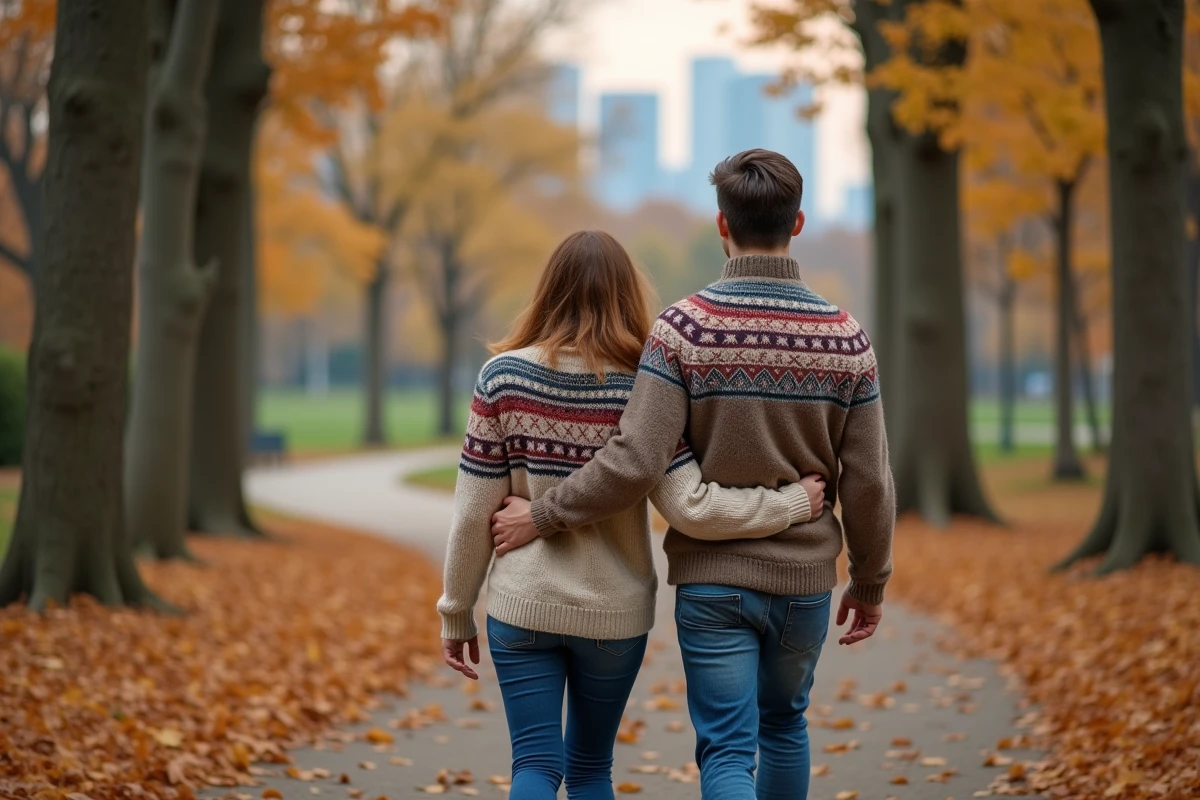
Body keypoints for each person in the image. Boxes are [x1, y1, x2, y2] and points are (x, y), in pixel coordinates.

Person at [491, 149, 895, 800]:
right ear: (797, 224)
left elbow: (635, 459)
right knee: (785, 726)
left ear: (720, 224)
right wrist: (870, 582)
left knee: (728, 751)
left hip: (713, 585)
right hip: (805, 582)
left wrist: (541, 514)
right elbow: (870, 478)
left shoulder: (683, 331)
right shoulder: (847, 338)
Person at [437, 229, 828, 800]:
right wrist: (791, 503)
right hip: (614, 616)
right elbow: (691, 506)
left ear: (549, 290)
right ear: (627, 295)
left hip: (523, 607)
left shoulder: (502, 378)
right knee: (591, 768)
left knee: (536, 767)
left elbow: (474, 511)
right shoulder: (644, 388)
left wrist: (457, 609)